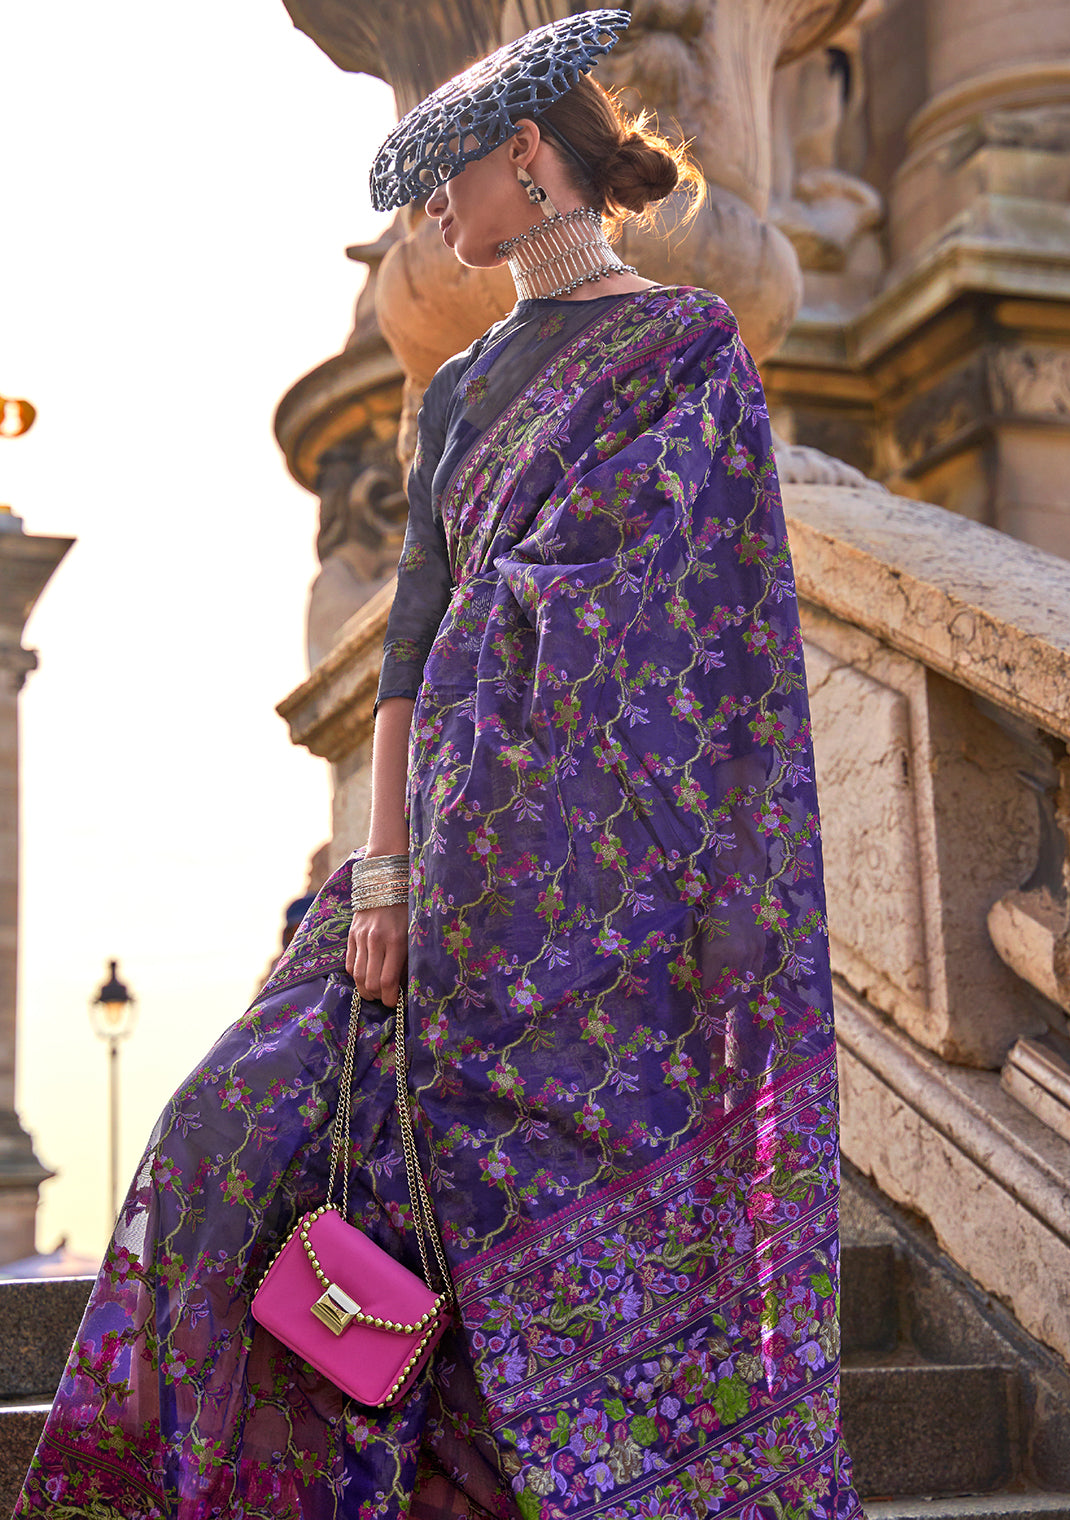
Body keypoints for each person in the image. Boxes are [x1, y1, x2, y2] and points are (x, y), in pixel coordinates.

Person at [16, 12, 863, 1519]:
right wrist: (387, 867)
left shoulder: (684, 353)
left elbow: (698, 621)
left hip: (599, 889)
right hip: (440, 868)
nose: (427, 221)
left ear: (528, 161)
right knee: (216, 1139)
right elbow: (410, 648)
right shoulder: (462, 384)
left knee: (515, 1235)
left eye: (440, 184)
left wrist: (522, 624)